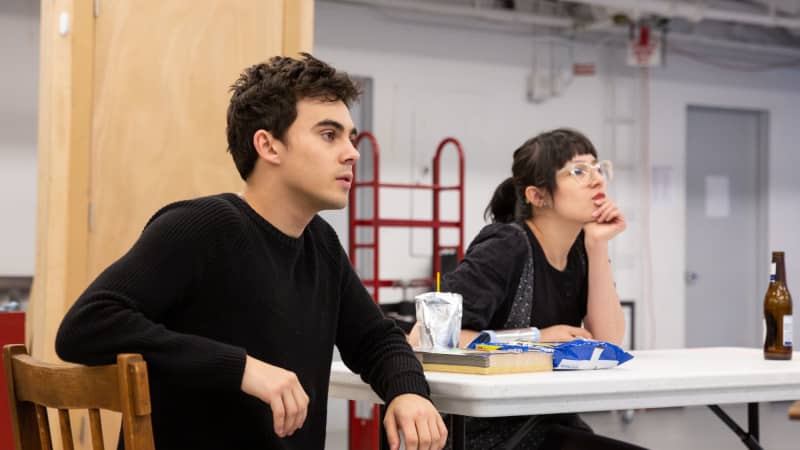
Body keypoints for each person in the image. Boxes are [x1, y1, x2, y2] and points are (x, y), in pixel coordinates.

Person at [56, 53, 447, 450]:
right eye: (329, 135)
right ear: (269, 145)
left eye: (350, 137)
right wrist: (240, 368)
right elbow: (84, 327)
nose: (352, 153)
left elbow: (375, 340)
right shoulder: (201, 227)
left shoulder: (321, 244)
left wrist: (407, 391)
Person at [418, 129, 645, 449]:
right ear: (537, 196)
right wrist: (535, 339)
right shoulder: (506, 245)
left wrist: (597, 244)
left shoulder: (582, 249)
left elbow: (607, 341)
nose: (597, 180)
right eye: (579, 172)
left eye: (598, 168)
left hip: (544, 420)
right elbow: (427, 338)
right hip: (484, 432)